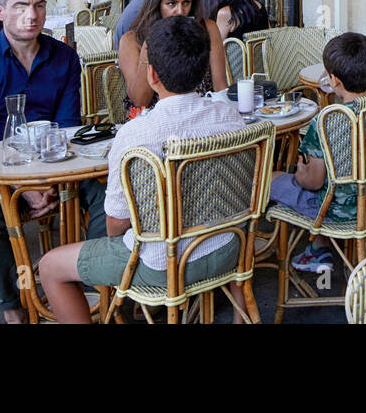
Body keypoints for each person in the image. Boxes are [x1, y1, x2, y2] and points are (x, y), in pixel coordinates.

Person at [38, 16, 246, 324]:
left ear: (152, 74)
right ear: (204, 69)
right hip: (227, 248)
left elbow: (116, 224)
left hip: (161, 264)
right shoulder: (229, 117)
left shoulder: (137, 134)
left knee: (50, 266)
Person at [0, 0, 106, 322]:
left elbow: (67, 129)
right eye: (20, 6)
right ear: (0, 11)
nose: (31, 16)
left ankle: (92, 287)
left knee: (109, 196)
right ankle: (10, 305)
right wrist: (23, 185)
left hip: (57, 161)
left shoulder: (64, 58)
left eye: (38, 5)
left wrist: (46, 179)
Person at [268, 32, 366, 273]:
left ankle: (290, 251)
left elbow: (313, 182)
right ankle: (320, 245)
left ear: (334, 80)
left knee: (267, 180)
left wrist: (299, 172)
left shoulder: (325, 121)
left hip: (336, 211)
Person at [117, 0, 226, 111]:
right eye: (171, 4)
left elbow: (220, 88)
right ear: (157, 5)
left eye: (186, 3)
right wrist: (149, 46)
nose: (180, 11)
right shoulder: (132, 40)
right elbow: (140, 101)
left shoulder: (207, 29)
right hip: (152, 119)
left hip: (199, 112)